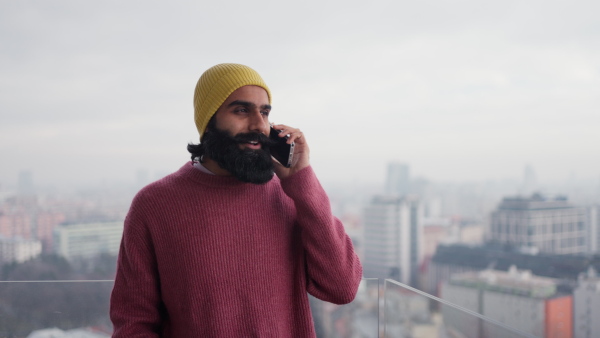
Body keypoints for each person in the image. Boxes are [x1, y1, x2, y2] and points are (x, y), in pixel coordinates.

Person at [110, 63, 362, 337]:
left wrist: (302, 182)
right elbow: (133, 322)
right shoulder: (154, 205)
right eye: (242, 110)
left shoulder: (290, 195)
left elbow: (342, 288)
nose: (259, 125)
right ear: (209, 120)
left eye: (265, 112)